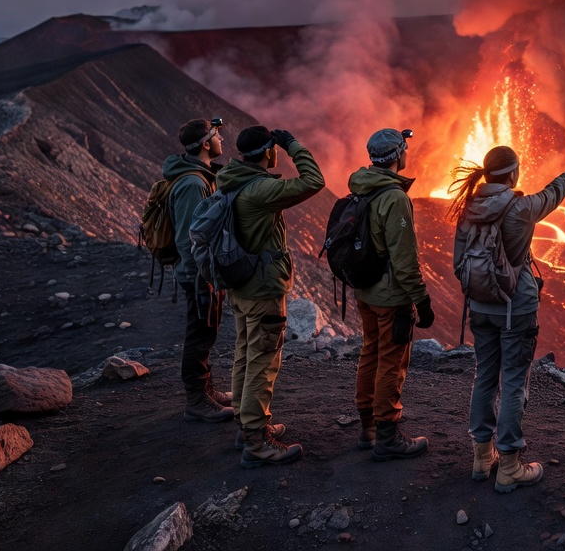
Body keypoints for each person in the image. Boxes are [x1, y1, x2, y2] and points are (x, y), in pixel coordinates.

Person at [449, 146, 565, 492]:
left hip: (479, 308)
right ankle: (509, 465)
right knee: (513, 381)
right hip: (516, 308)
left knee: (484, 376)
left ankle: (482, 457)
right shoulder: (519, 208)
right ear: (513, 174)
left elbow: (457, 264)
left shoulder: (468, 207)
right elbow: (553, 194)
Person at [217, 125, 325, 468]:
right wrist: (293, 144)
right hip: (263, 288)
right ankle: (257, 442)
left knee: (246, 354)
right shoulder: (262, 189)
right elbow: (313, 181)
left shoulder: (231, 179)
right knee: (263, 362)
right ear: (268, 152)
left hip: (240, 285)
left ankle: (246, 425)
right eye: (274, 148)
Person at [348, 128, 436, 461]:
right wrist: (422, 300)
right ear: (398, 156)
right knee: (392, 361)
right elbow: (404, 258)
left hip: (364, 290)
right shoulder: (395, 197)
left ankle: (368, 428)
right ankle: (388, 435)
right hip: (389, 296)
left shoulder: (361, 186)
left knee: (371, 352)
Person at [164, 118, 232, 424]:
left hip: (203, 272)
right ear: (206, 143)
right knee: (199, 334)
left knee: (206, 331)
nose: (221, 140)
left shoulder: (200, 177)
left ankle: (206, 391)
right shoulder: (193, 184)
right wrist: (202, 277)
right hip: (198, 275)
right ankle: (196, 401)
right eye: (217, 135)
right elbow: (188, 237)